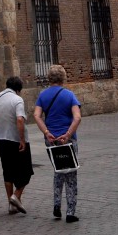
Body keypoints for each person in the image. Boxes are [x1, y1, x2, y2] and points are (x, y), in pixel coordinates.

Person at [33, 64, 82, 223]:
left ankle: (56, 204)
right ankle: (70, 212)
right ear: (63, 77)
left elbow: (36, 115)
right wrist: (68, 134)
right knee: (71, 174)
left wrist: (46, 132)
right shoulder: (69, 95)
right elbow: (77, 117)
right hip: (68, 140)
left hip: (51, 140)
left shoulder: (43, 95)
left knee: (58, 170)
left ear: (49, 78)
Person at [0, 76, 33, 215]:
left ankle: (11, 205)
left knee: (8, 170)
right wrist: (22, 140)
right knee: (26, 171)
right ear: (18, 89)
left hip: (0, 139)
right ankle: (16, 196)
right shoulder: (17, 100)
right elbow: (20, 119)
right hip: (15, 140)